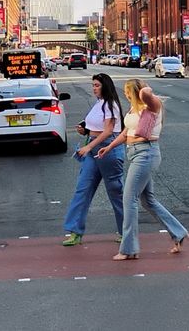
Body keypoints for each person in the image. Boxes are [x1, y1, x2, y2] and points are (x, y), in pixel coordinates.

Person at [96, 78, 188, 261]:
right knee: (148, 200)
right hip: (135, 153)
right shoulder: (133, 109)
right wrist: (110, 147)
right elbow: (126, 132)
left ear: (137, 91)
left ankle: (129, 249)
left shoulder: (153, 105)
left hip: (146, 153)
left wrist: (142, 88)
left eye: (128, 91)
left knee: (129, 199)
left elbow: (146, 94)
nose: (125, 94)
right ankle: (178, 232)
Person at [61, 73, 126, 247]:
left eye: (97, 85)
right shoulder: (99, 104)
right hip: (93, 148)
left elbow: (108, 131)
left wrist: (89, 147)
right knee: (82, 189)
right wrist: (86, 131)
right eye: (93, 85)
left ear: (105, 86)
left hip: (108, 148)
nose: (94, 88)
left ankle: (125, 231)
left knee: (116, 192)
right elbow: (96, 128)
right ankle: (75, 232)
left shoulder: (111, 105)